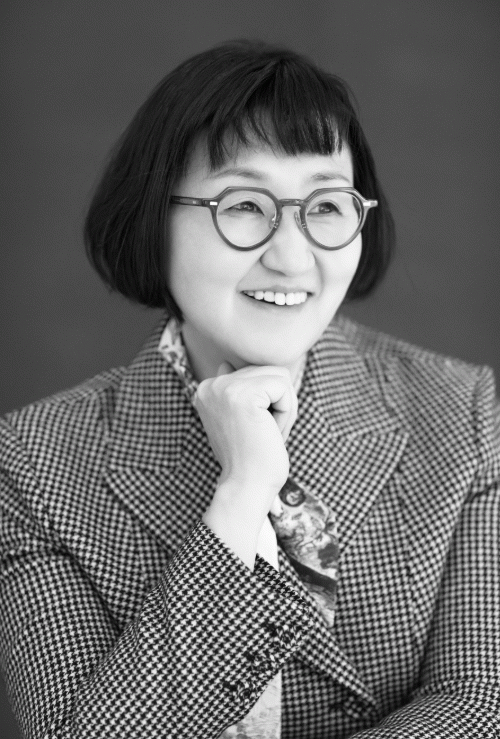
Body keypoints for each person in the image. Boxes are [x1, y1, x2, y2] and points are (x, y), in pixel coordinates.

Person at [0, 40, 499, 739]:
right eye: (243, 204)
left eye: (326, 205)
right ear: (153, 218)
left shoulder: (462, 410)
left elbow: (479, 701)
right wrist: (239, 496)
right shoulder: (30, 463)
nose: (292, 256)